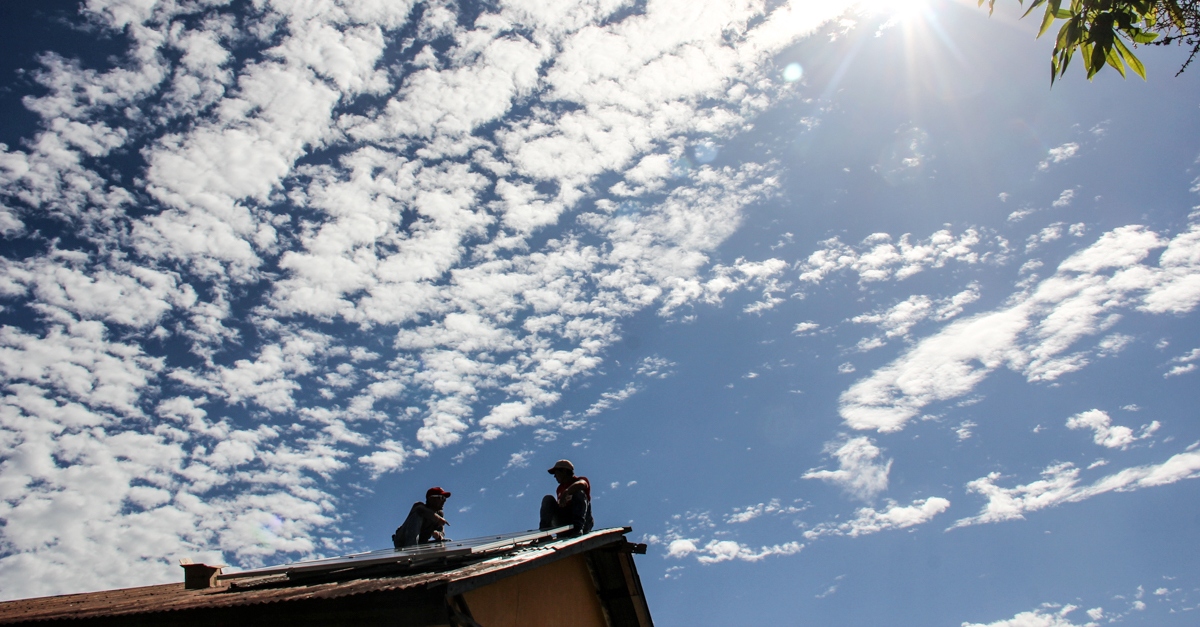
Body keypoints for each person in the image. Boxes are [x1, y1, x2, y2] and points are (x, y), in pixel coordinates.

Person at [539, 459, 593, 536]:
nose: (555, 476)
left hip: (583, 523)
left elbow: (582, 484)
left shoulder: (580, 480)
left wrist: (567, 492)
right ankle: (544, 533)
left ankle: (578, 529)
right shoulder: (559, 489)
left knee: (579, 493)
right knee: (548, 499)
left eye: (556, 473)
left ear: (564, 471)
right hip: (565, 523)